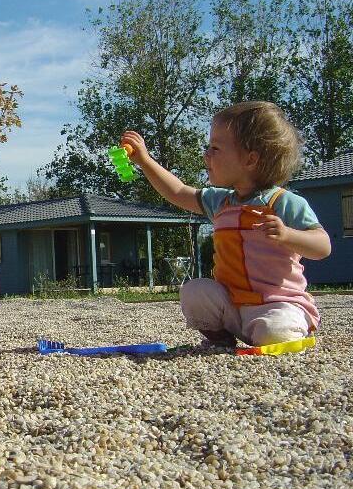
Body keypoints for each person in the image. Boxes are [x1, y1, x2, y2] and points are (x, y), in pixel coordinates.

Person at [122, 101, 331, 347]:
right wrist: (144, 161)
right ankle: (222, 338)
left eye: (216, 148)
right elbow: (178, 191)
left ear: (250, 160)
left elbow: (322, 246)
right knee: (194, 291)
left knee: (274, 332)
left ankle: (286, 327)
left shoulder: (283, 202)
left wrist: (288, 235)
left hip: (277, 303)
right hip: (232, 305)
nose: (206, 154)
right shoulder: (220, 202)